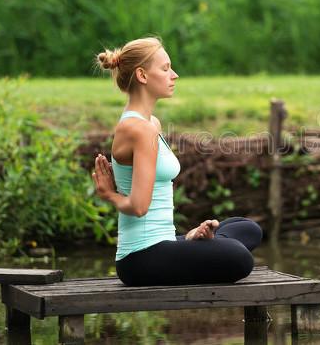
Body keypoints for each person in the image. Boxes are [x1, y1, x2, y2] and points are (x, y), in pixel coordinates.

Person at [90, 36, 262, 286]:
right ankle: (207, 246)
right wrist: (109, 195)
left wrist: (190, 236)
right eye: (165, 68)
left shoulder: (152, 123)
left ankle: (194, 239)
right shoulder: (139, 130)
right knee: (239, 258)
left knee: (248, 229)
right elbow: (138, 207)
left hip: (166, 241)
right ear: (142, 75)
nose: (174, 75)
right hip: (140, 258)